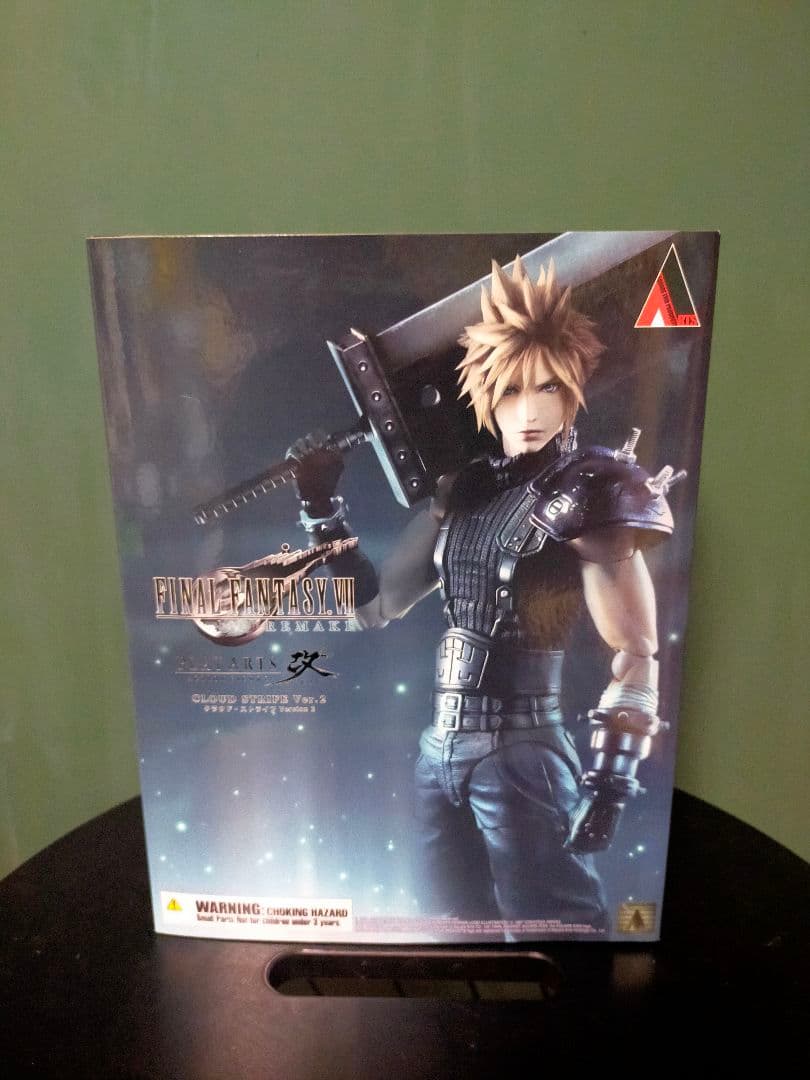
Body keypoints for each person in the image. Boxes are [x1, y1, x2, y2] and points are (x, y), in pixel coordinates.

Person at [290, 257, 675, 933]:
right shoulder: (465, 491)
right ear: (483, 396)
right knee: (447, 932)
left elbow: (638, 650)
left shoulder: (592, 487)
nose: (529, 411)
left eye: (549, 387)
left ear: (574, 388)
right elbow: (373, 607)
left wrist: (611, 785)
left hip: (523, 752)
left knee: (554, 931)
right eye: (510, 391)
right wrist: (321, 507)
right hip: (438, 750)